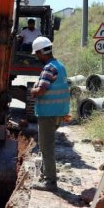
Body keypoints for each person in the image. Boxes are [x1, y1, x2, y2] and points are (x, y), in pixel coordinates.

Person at [29, 36, 70, 191]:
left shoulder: (48, 68)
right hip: (59, 113)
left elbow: (40, 91)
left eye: (37, 54)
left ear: (41, 52)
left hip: (48, 114)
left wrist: (33, 91)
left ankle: (50, 182)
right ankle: (47, 174)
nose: (37, 57)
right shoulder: (60, 66)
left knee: (46, 147)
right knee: (47, 145)